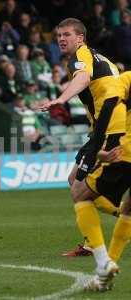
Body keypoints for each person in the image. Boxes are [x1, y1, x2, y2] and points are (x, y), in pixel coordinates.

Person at [40, 18, 130, 291]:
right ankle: (100, 251)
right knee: (75, 181)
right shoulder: (107, 60)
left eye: (67, 34)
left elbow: (83, 78)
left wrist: (60, 99)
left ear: (81, 38)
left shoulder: (82, 56)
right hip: (105, 128)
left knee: (79, 189)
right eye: (58, 35)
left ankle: (98, 253)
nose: (61, 39)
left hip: (110, 131)